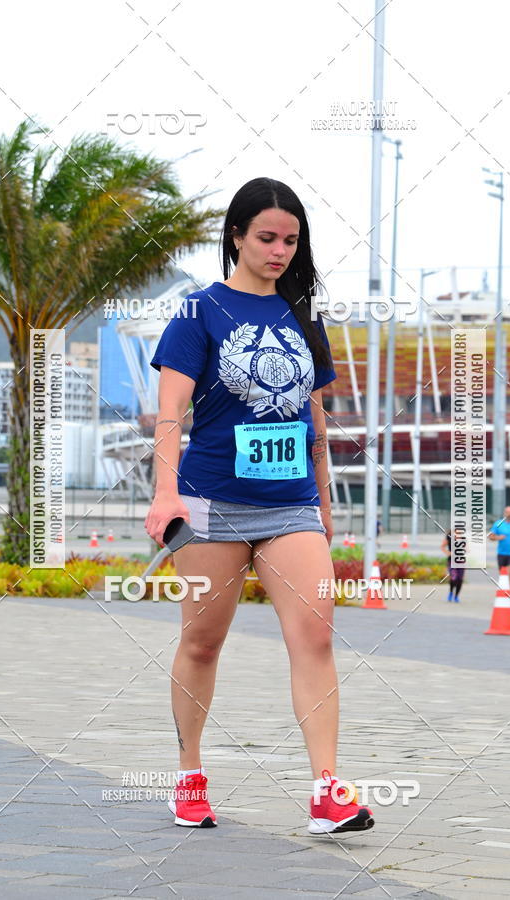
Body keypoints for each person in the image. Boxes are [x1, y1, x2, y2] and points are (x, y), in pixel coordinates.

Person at [145, 177, 375, 836]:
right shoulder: (199, 312)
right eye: (267, 238)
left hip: (292, 504)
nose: (279, 250)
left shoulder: (303, 315)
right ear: (238, 237)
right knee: (202, 642)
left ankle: (327, 790)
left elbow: (315, 421)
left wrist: (326, 507)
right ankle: (189, 773)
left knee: (317, 637)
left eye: (291, 240)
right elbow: (169, 415)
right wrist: (166, 495)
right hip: (212, 502)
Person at [488, 505, 510, 590]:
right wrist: (498, 537)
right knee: (503, 575)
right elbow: (490, 536)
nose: (509, 514)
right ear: (504, 513)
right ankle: (504, 591)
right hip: (501, 553)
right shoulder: (498, 524)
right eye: (507, 512)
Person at [441, 527, 465, 602]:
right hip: (451, 561)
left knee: (460, 579)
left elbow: (467, 548)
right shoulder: (449, 537)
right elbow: (442, 546)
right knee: (454, 578)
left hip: (461, 561)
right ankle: (451, 592)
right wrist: (448, 553)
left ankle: (456, 596)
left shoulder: (463, 538)